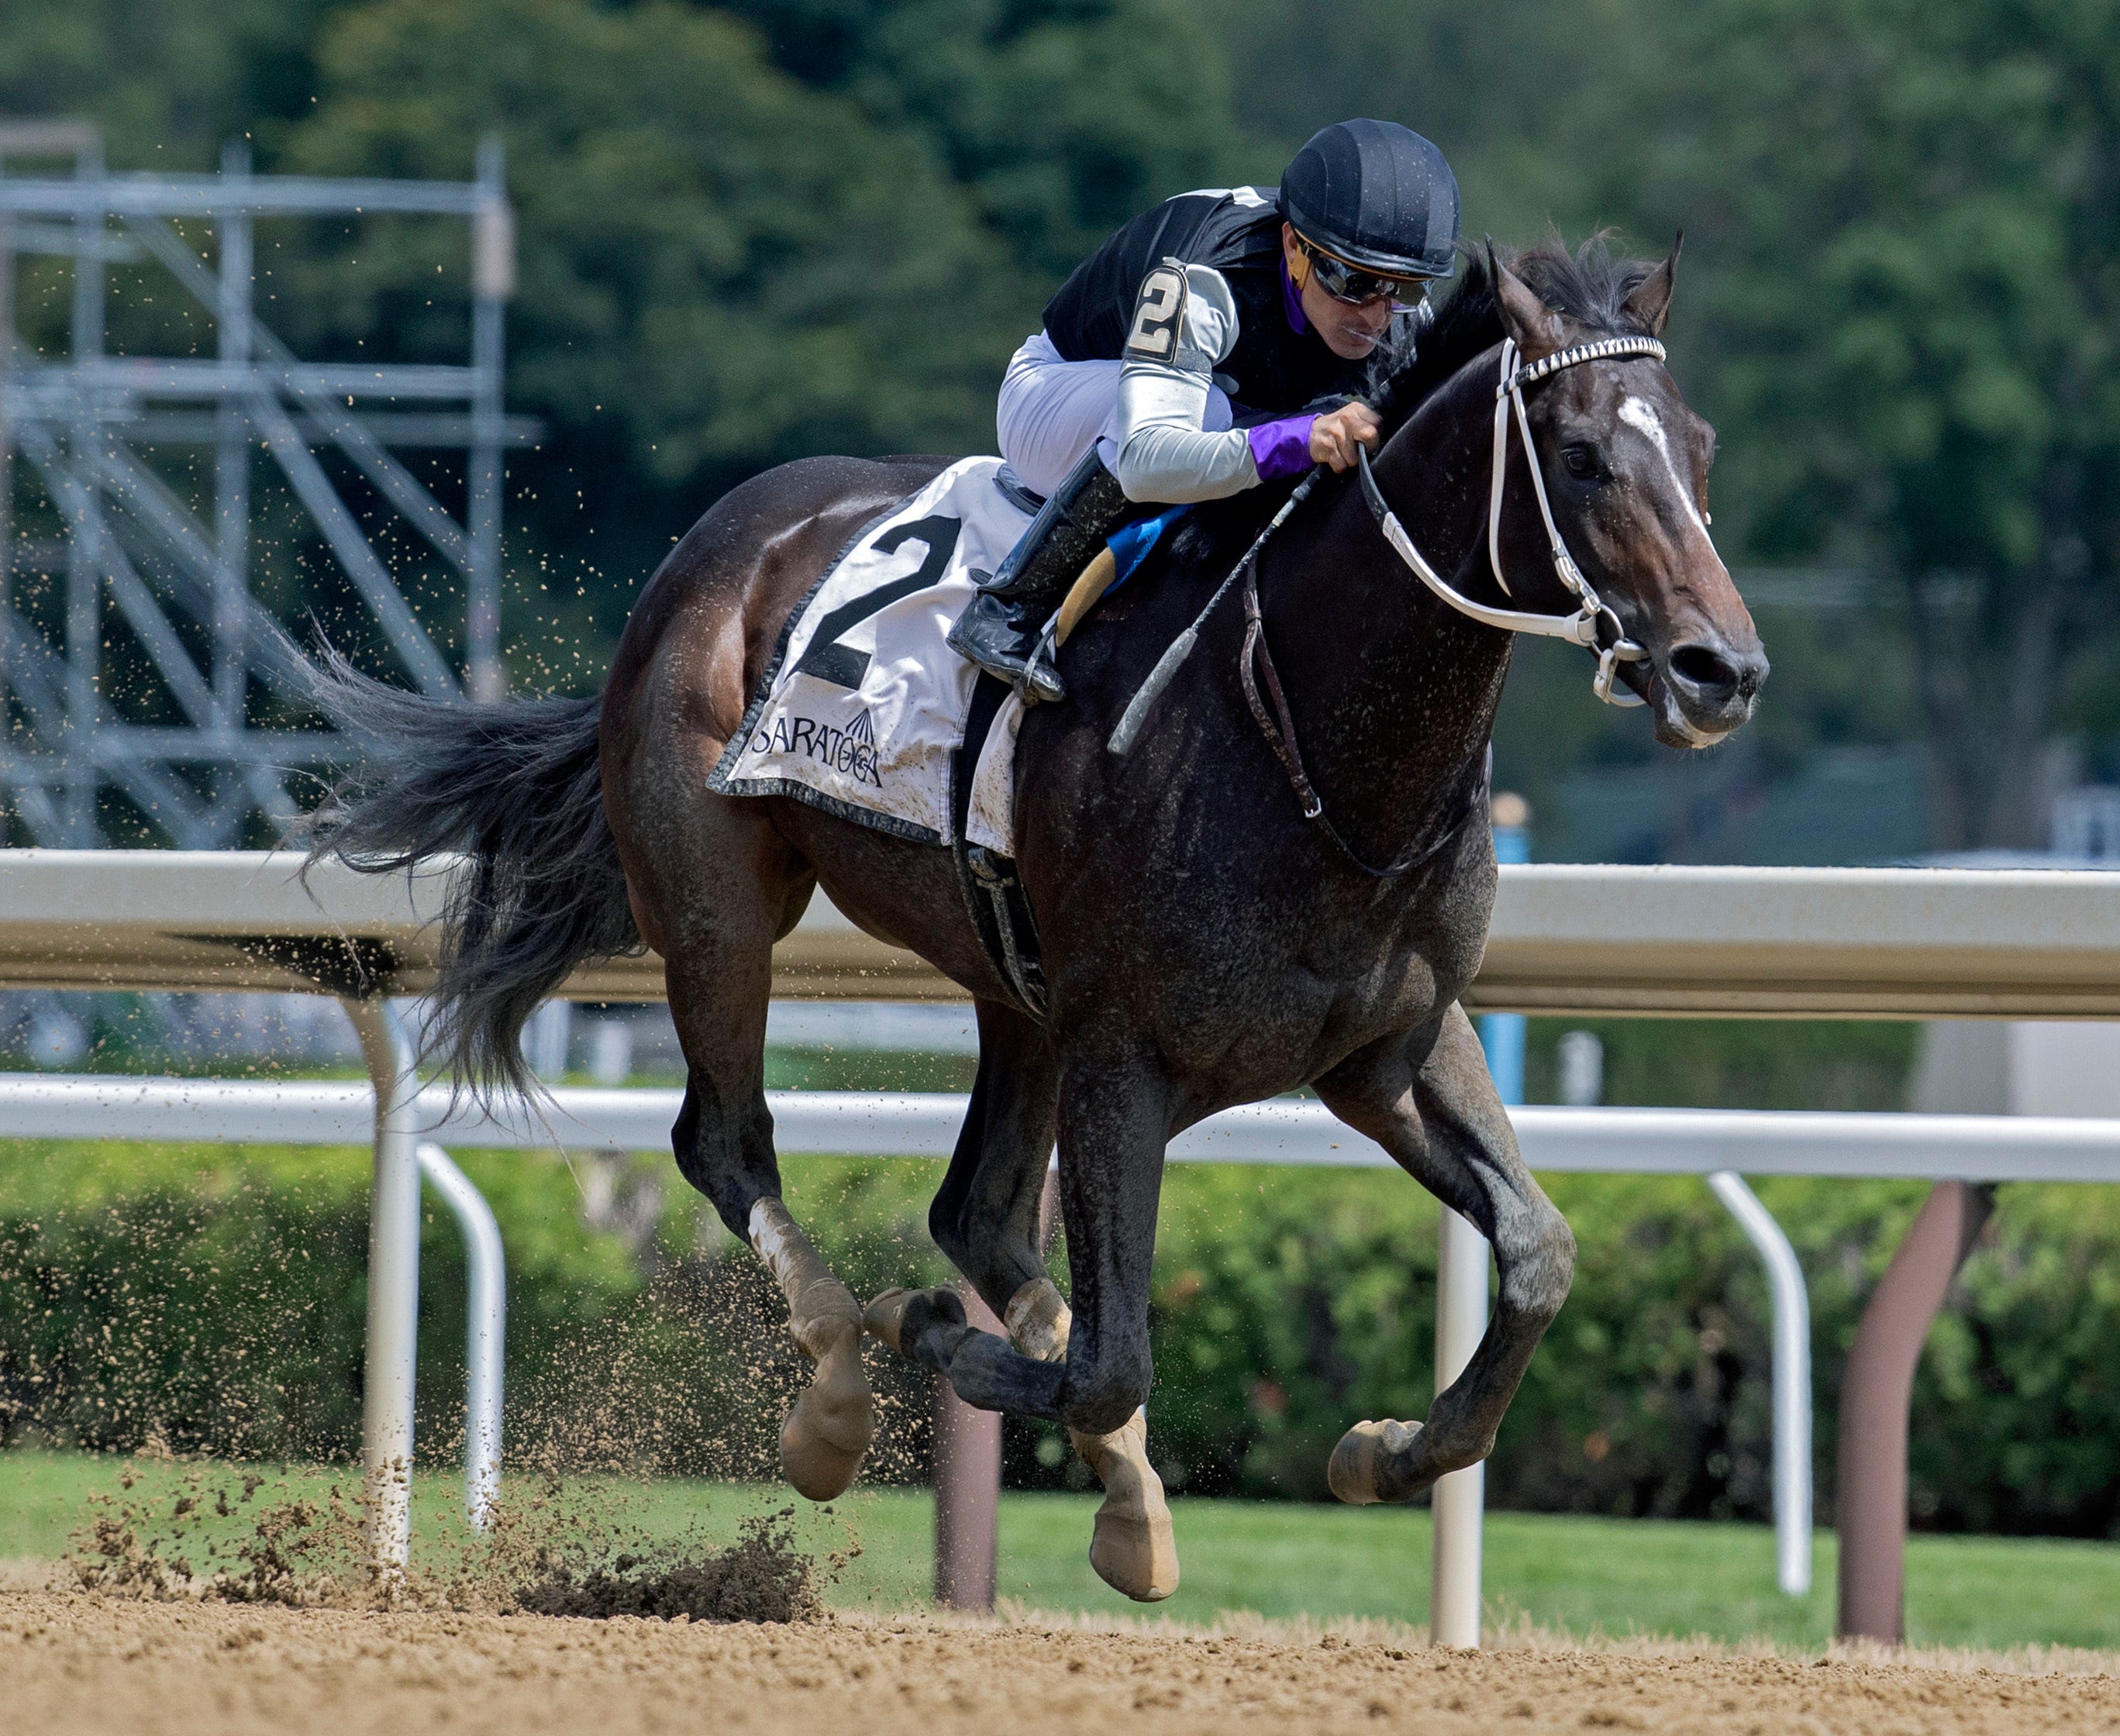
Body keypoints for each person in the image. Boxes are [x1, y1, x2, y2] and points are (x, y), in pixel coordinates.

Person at [950, 118, 1461, 703]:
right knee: (1218, 413)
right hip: (1053, 400)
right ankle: (1008, 609)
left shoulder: (1397, 316)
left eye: (1405, 288)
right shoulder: (1207, 277)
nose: (1375, 315)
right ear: (1295, 247)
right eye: (1353, 282)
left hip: (1207, 400)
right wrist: (1297, 439)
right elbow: (1146, 461)